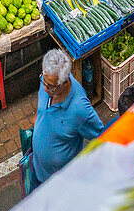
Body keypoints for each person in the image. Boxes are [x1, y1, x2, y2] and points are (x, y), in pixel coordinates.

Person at [31, 50, 104, 185]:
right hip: (37, 170)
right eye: (43, 81)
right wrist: (39, 119)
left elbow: (102, 137)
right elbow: (42, 104)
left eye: (50, 86)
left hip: (60, 183)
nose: (45, 89)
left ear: (65, 81)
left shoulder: (80, 110)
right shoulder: (48, 81)